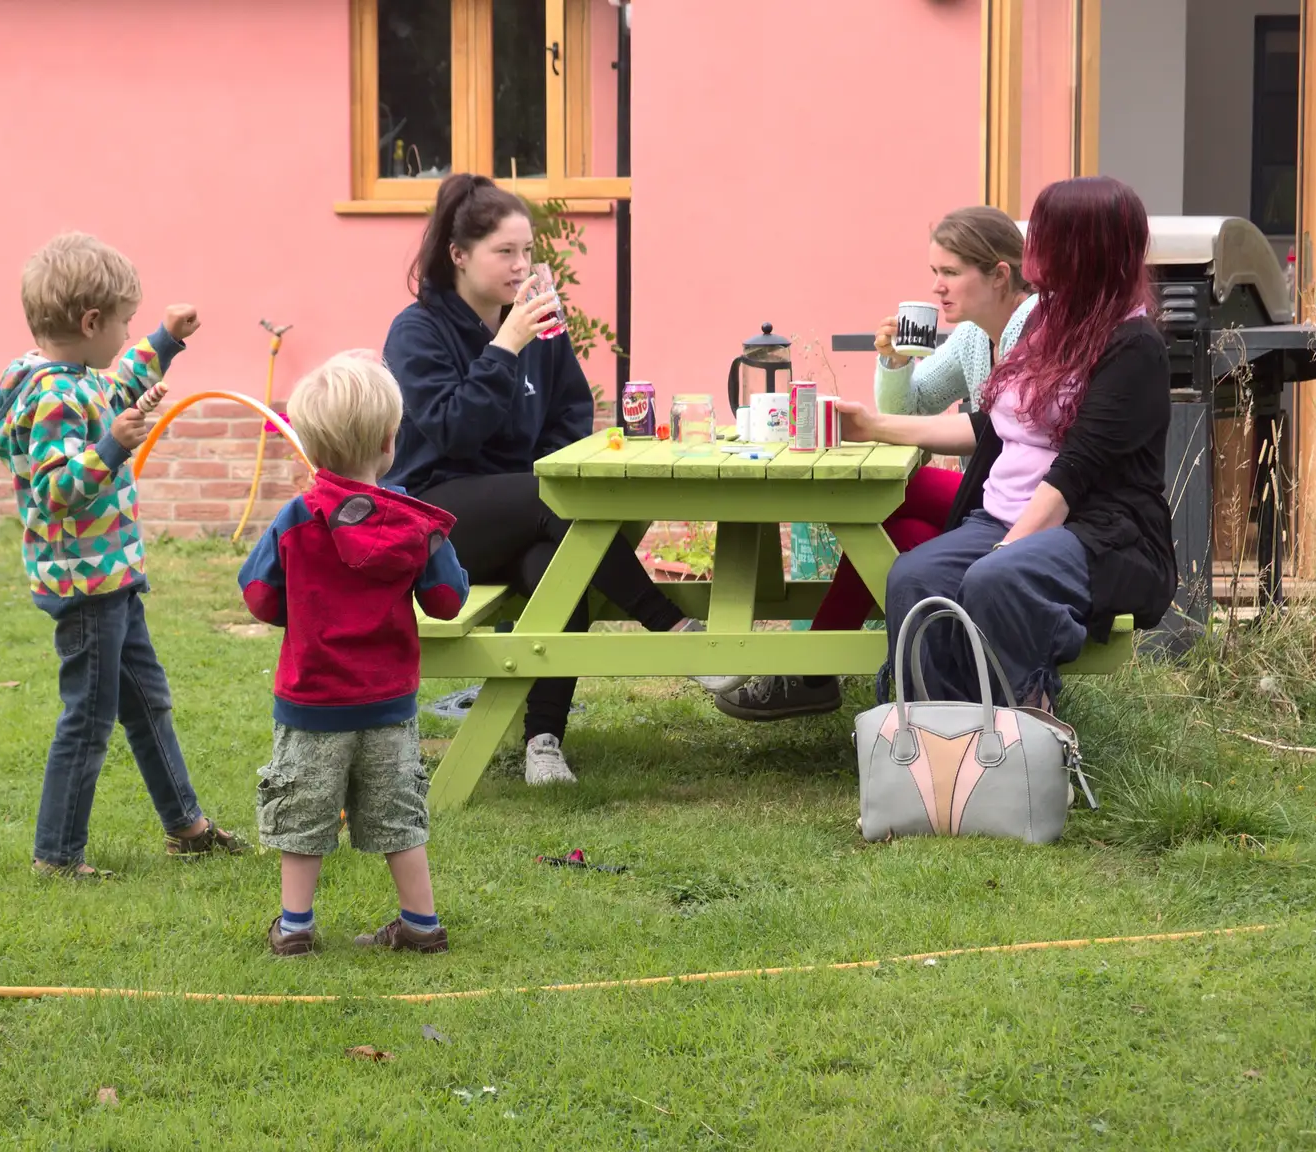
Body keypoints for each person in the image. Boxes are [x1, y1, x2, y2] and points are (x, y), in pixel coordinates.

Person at [383, 173, 705, 786]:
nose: (521, 265)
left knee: (557, 564)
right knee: (548, 506)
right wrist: (503, 348)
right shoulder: (418, 331)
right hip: (435, 518)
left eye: (528, 251)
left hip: (527, 510)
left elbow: (570, 414)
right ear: (459, 256)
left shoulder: (538, 326)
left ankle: (544, 741)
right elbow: (451, 429)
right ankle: (673, 629)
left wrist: (549, 471)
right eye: (505, 252)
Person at [837, 176, 1175, 710]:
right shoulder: (1045, 320)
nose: (1033, 254)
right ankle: (936, 734)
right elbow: (993, 426)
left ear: (1086, 250)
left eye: (1046, 238)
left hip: (1097, 533)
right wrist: (873, 426)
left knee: (996, 578)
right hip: (1005, 515)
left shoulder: (1135, 347)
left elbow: (1073, 473)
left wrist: (1003, 548)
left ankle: (1022, 733)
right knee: (915, 575)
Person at [0, 232, 244, 877]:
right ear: (90, 322)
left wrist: (165, 340)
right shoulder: (52, 397)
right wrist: (113, 447)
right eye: (124, 322)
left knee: (147, 703)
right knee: (87, 721)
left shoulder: (74, 377)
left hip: (110, 578)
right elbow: (55, 490)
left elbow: (120, 383)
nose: (126, 335)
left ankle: (187, 826)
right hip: (85, 587)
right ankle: (57, 857)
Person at [714, 206, 1038, 721]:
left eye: (950, 273)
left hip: (1030, 508)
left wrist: (871, 428)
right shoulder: (979, 334)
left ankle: (815, 673)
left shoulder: (1032, 329)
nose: (937, 288)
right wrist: (894, 360)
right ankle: (839, 677)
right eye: (934, 273)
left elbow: (990, 431)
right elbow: (912, 403)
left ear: (1000, 274)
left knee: (888, 497)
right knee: (902, 531)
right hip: (989, 498)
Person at [239, 352, 470, 958]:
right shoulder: (414, 525)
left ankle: (294, 927)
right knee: (399, 814)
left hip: (311, 703)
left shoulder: (294, 519)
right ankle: (421, 924)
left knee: (303, 815)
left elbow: (259, 598)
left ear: (311, 447)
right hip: (389, 705)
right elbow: (447, 601)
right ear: (391, 443)